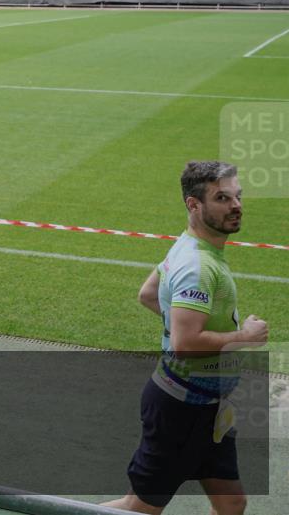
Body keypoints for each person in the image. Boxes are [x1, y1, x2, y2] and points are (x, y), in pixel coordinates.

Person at [103, 161, 268, 515]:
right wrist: (245, 336)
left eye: (237, 196)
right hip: (183, 410)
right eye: (222, 198)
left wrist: (184, 323)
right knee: (139, 508)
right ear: (194, 204)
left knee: (231, 504)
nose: (236, 206)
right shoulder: (198, 266)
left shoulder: (190, 244)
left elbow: (149, 294)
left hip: (209, 409)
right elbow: (185, 344)